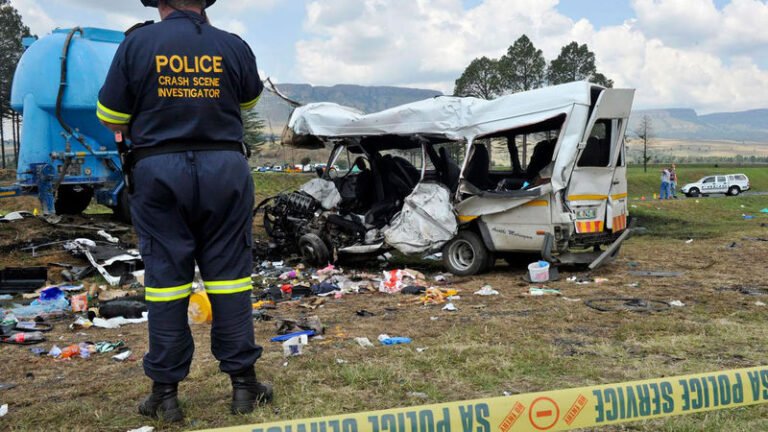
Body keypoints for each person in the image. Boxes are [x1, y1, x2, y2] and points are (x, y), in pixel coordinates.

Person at [97, 0, 271, 422]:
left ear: (158, 1)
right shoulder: (232, 45)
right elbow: (248, 101)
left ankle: (165, 394)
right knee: (230, 280)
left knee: (166, 284)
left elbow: (111, 116)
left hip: (159, 171)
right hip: (224, 170)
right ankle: (244, 386)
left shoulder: (137, 44)